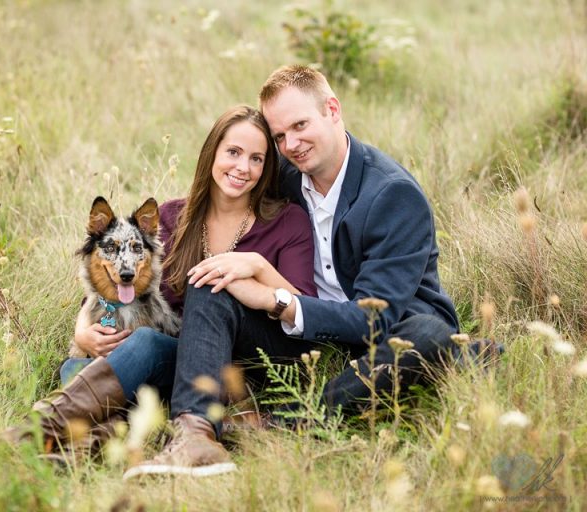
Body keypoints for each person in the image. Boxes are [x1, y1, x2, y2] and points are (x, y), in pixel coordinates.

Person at [122, 65, 461, 479]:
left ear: (332, 110)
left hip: (383, 336)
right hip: (302, 339)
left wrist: (274, 295)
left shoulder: (391, 194)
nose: (292, 145)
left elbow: (374, 318)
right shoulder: (283, 173)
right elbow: (217, 195)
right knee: (213, 283)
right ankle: (194, 434)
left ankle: (277, 424)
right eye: (280, 136)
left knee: (428, 337)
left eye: (300, 126)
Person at [8, 105, 317, 462]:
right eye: (233, 152)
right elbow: (127, 281)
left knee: (140, 348)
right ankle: (80, 450)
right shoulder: (173, 217)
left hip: (233, 364)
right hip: (172, 356)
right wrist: (82, 328)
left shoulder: (286, 222)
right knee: (79, 366)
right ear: (211, 153)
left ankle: (27, 435)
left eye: (257, 159)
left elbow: (304, 308)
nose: (243, 168)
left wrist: (257, 266)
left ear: (266, 169)